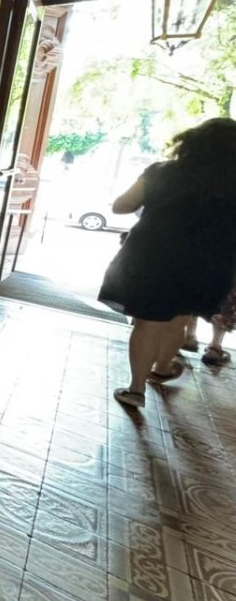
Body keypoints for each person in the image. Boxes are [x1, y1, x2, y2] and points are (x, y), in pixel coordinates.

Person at [100, 117, 236, 407]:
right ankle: (162, 368)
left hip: (153, 256)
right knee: (179, 318)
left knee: (148, 322)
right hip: (209, 265)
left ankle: (136, 389)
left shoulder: (161, 172)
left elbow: (121, 206)